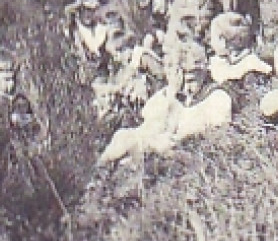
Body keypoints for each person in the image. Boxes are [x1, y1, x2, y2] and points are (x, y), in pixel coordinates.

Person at [98, 37, 231, 164]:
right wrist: (173, 92)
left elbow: (212, 137)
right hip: (163, 143)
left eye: (191, 80)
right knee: (122, 136)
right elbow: (149, 117)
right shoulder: (180, 95)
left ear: (204, 72)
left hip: (190, 152)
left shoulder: (217, 98)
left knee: (139, 146)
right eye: (182, 80)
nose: (186, 87)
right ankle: (99, 173)